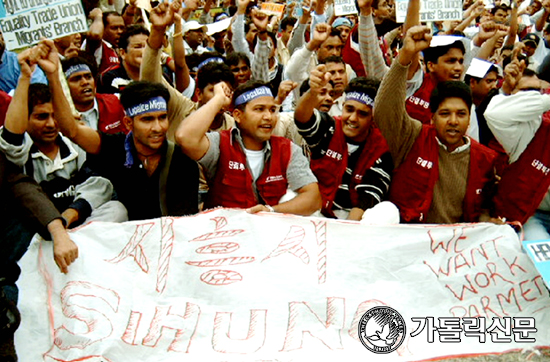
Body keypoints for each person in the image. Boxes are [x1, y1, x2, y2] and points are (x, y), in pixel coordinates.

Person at [374, 25, 499, 224]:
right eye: (444, 114)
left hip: (455, 246)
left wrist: (488, 223)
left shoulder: (484, 159)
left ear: (469, 119)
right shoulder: (413, 137)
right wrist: (405, 55)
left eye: (461, 114)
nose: (453, 121)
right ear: (432, 117)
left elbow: (483, 208)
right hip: (410, 238)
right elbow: (385, 111)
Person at [0, 42, 127, 229]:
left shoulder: (73, 146)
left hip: (76, 221)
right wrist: (25, 76)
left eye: (54, 116)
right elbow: (11, 137)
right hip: (37, 224)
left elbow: (99, 183)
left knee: (117, 210)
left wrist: (72, 213)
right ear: (25, 120)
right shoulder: (18, 152)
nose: (51, 124)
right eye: (41, 117)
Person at [54, 79, 199, 221]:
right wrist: (52, 74)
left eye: (162, 118)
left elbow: (184, 224)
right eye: (147, 119)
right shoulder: (116, 148)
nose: (158, 127)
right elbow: (72, 131)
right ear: (128, 123)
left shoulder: (183, 161)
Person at [176, 80, 321, 215]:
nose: (268, 117)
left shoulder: (287, 149)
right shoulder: (221, 143)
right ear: (238, 116)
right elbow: (185, 138)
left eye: (272, 110)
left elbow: (313, 198)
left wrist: (270, 211)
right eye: (259, 109)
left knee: (291, 196)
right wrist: (218, 99)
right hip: (224, 235)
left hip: (269, 233)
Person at [295, 67, 391, 220]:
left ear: (373, 118)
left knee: (387, 211)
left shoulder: (381, 148)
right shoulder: (330, 127)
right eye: (349, 109)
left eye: (363, 113)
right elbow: (302, 119)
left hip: (353, 220)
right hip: (317, 210)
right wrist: (313, 92)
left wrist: (344, 236)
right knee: (287, 197)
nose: (352, 118)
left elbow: (366, 200)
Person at [484, 60, 550, 239]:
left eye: (537, 92)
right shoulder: (533, 129)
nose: (533, 98)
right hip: (530, 218)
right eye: (526, 93)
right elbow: (496, 114)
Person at [62, 56, 127, 134]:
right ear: (64, 86)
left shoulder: (115, 103)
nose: (85, 82)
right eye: (77, 79)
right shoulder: (61, 116)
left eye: (88, 77)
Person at [98, 24, 150, 94]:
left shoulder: (159, 74)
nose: (144, 51)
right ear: (122, 53)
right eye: (138, 47)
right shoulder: (108, 78)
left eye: (147, 47)